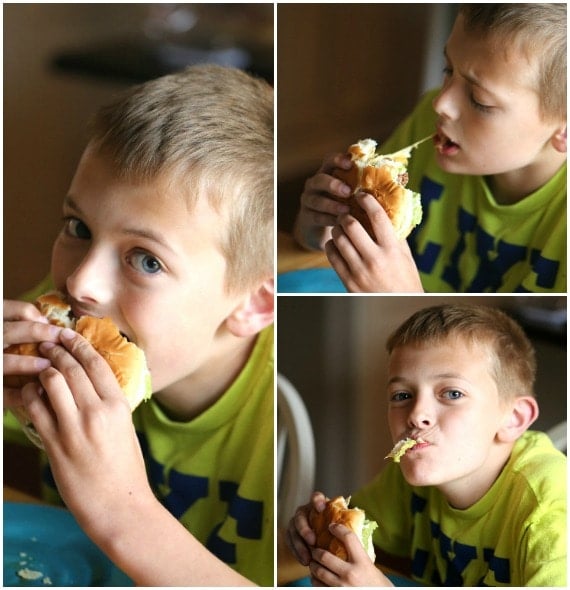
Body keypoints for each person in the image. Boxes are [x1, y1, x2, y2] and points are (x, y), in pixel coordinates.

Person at [3, 64, 274, 586]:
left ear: (254, 305)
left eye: (146, 260)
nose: (82, 282)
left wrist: (122, 516)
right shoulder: (71, 315)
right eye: (79, 227)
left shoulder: (276, 415)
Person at [286, 303, 566, 586]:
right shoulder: (411, 473)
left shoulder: (550, 513)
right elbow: (358, 545)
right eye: (401, 395)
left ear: (514, 419)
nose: (416, 416)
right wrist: (314, 527)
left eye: (452, 393)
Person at [292, 4, 567, 293]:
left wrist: (399, 296)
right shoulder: (429, 122)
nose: (441, 103)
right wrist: (319, 228)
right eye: (448, 69)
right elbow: (324, 250)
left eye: (478, 99)